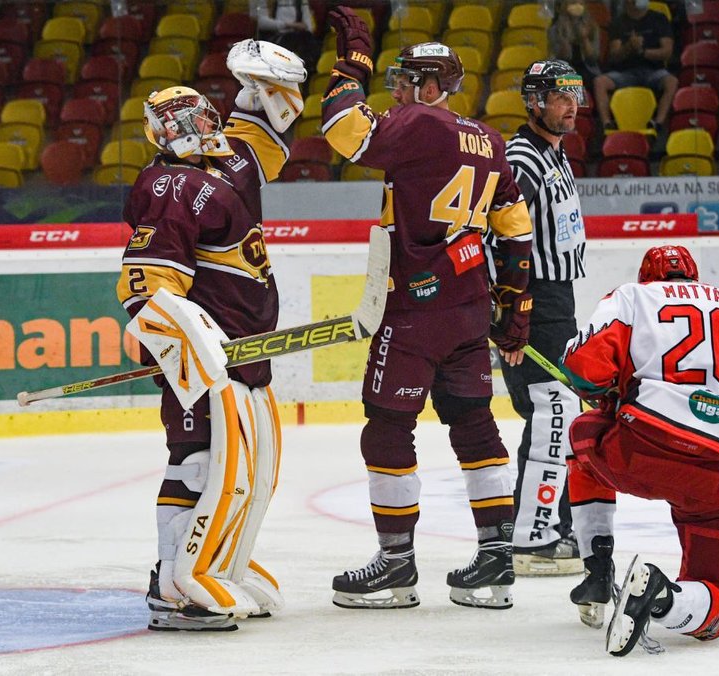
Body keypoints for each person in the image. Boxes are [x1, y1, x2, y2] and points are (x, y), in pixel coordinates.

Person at [320, 6, 535, 610]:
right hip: (468, 313)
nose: (397, 91)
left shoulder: (421, 125)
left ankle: (395, 565)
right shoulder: (490, 141)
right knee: (474, 422)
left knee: (388, 426)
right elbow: (517, 235)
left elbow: (342, 130)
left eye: (406, 79)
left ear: (433, 86)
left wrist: (352, 60)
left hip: (414, 313)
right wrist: (513, 314)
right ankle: (495, 562)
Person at [116, 40, 306, 632]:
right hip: (206, 357)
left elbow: (273, 123)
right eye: (184, 121)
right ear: (161, 134)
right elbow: (147, 291)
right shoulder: (167, 184)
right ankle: (171, 581)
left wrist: (261, 82)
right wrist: (178, 344)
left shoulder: (226, 166)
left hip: (243, 349)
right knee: (198, 461)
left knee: (251, 468)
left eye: (204, 114)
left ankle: (223, 563)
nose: (200, 126)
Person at [559, 244, 719, 656]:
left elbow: (584, 369)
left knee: (582, 440)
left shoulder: (631, 296)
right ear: (695, 278)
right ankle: (663, 595)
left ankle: (596, 572)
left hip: (641, 449)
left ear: (649, 276)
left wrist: (608, 396)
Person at [484, 60, 588, 577]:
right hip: (534, 302)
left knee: (557, 413)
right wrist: (510, 310)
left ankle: (547, 525)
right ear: (535, 102)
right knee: (551, 413)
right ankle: (532, 537)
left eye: (575, 94)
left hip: (556, 302)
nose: (571, 104)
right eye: (560, 96)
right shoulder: (522, 157)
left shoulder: (554, 154)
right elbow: (496, 235)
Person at [593, 0, 678, 132]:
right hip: (625, 73)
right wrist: (629, 47)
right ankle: (607, 124)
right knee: (600, 82)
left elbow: (666, 52)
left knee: (672, 82)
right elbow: (614, 55)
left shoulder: (659, 19)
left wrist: (642, 52)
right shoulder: (618, 22)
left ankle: (658, 123)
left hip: (654, 70)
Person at [251, 0, 320, 78]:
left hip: (298, 36)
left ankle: (309, 73)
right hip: (273, 37)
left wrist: (298, 27)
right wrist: (289, 25)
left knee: (307, 38)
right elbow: (262, 23)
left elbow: (308, 26)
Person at [548, 1, 602, 89]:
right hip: (564, 67)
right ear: (565, 6)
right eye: (573, 3)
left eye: (581, 4)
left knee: (594, 81)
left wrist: (585, 39)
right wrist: (565, 38)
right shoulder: (555, 29)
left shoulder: (592, 27)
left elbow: (593, 57)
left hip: (587, 68)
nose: (577, 7)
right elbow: (561, 56)